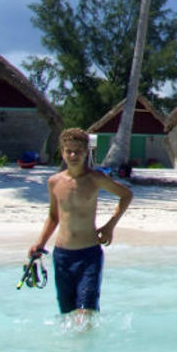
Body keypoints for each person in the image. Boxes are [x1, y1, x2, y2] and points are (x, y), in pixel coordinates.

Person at [30, 128, 133, 324]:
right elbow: (53, 216)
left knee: (86, 315)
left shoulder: (95, 179)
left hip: (89, 256)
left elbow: (126, 195)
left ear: (86, 152)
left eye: (78, 151)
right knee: (67, 316)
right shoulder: (54, 182)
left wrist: (110, 226)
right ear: (62, 152)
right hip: (62, 256)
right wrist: (40, 243)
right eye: (69, 151)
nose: (73, 155)